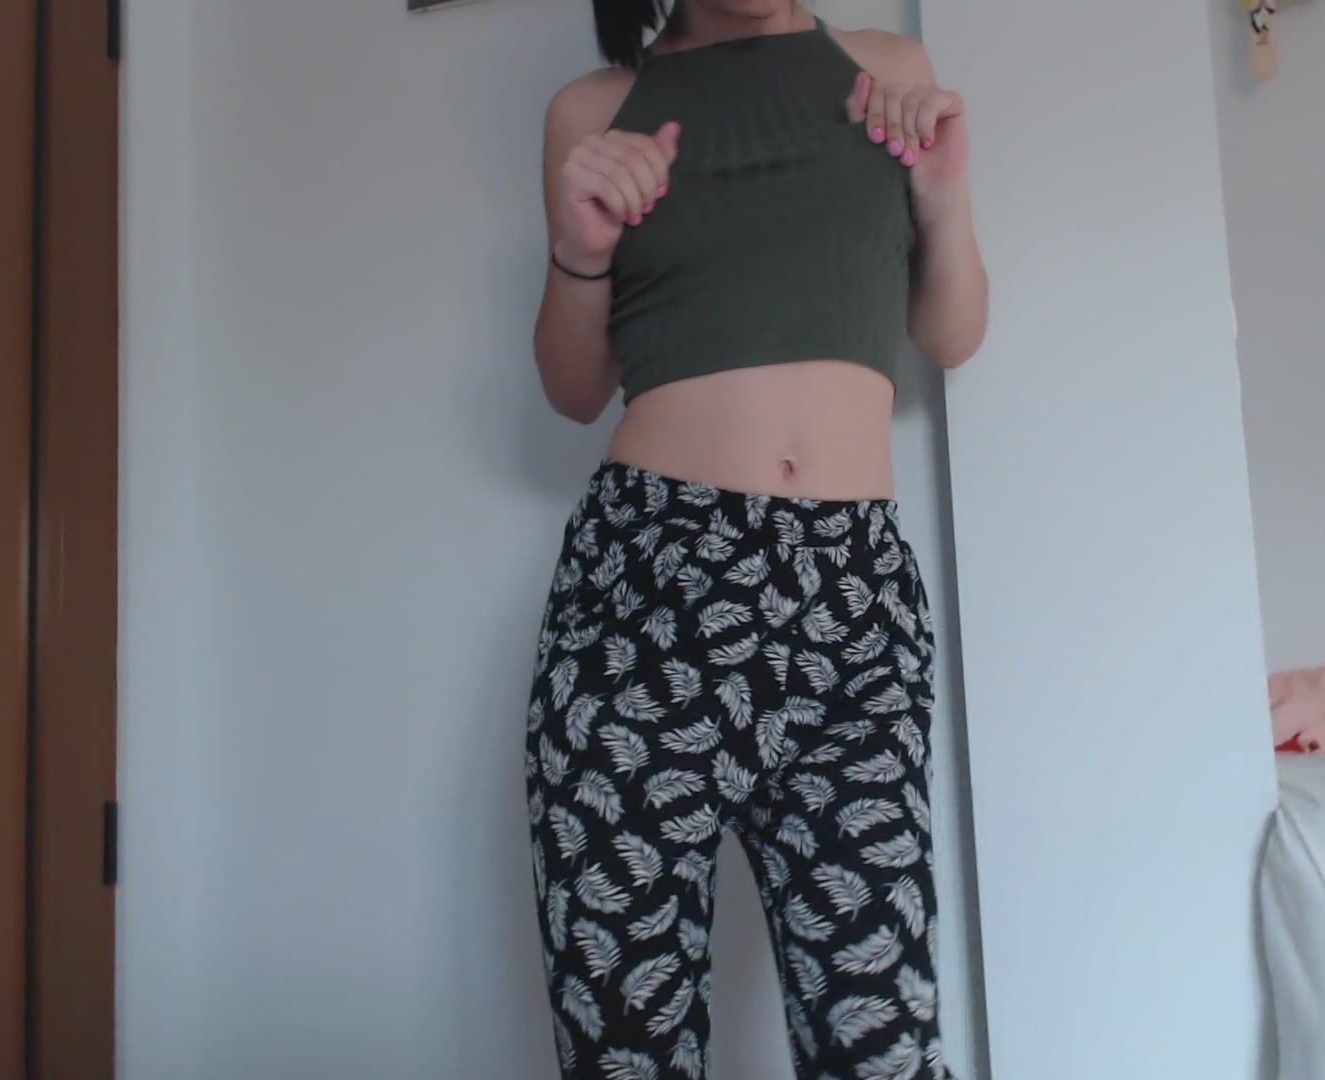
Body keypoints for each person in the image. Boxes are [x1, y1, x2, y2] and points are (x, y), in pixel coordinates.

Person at [522, 1, 986, 1076]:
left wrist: (942, 198)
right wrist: (579, 250)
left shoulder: (884, 71)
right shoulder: (592, 110)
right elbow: (572, 389)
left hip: (852, 605)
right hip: (645, 597)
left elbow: (952, 334)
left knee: (881, 1047)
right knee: (626, 1050)